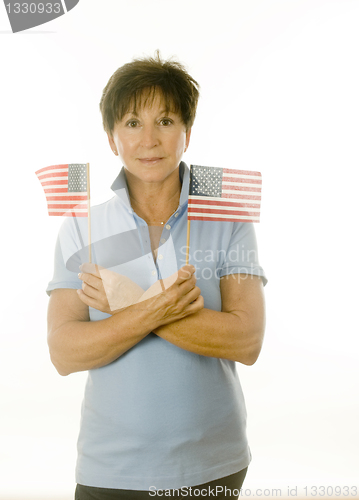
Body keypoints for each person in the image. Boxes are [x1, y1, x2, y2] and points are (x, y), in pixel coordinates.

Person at [46, 53, 267, 500]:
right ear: (112, 138)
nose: (149, 139)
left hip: (212, 466)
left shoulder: (229, 219)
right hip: (110, 471)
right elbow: (64, 354)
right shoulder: (80, 227)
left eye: (165, 120)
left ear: (187, 131)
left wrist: (128, 302)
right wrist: (157, 307)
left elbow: (246, 342)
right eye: (131, 123)